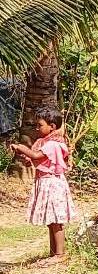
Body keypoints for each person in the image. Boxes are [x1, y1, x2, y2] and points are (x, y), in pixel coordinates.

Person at [10, 108, 76, 259]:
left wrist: (21, 147)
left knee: (56, 221)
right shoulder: (46, 143)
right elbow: (35, 159)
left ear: (52, 127)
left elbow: (35, 155)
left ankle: (59, 255)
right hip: (46, 183)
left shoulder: (52, 144)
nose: (37, 128)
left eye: (39, 125)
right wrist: (25, 156)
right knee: (51, 221)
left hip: (52, 185)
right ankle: (54, 254)